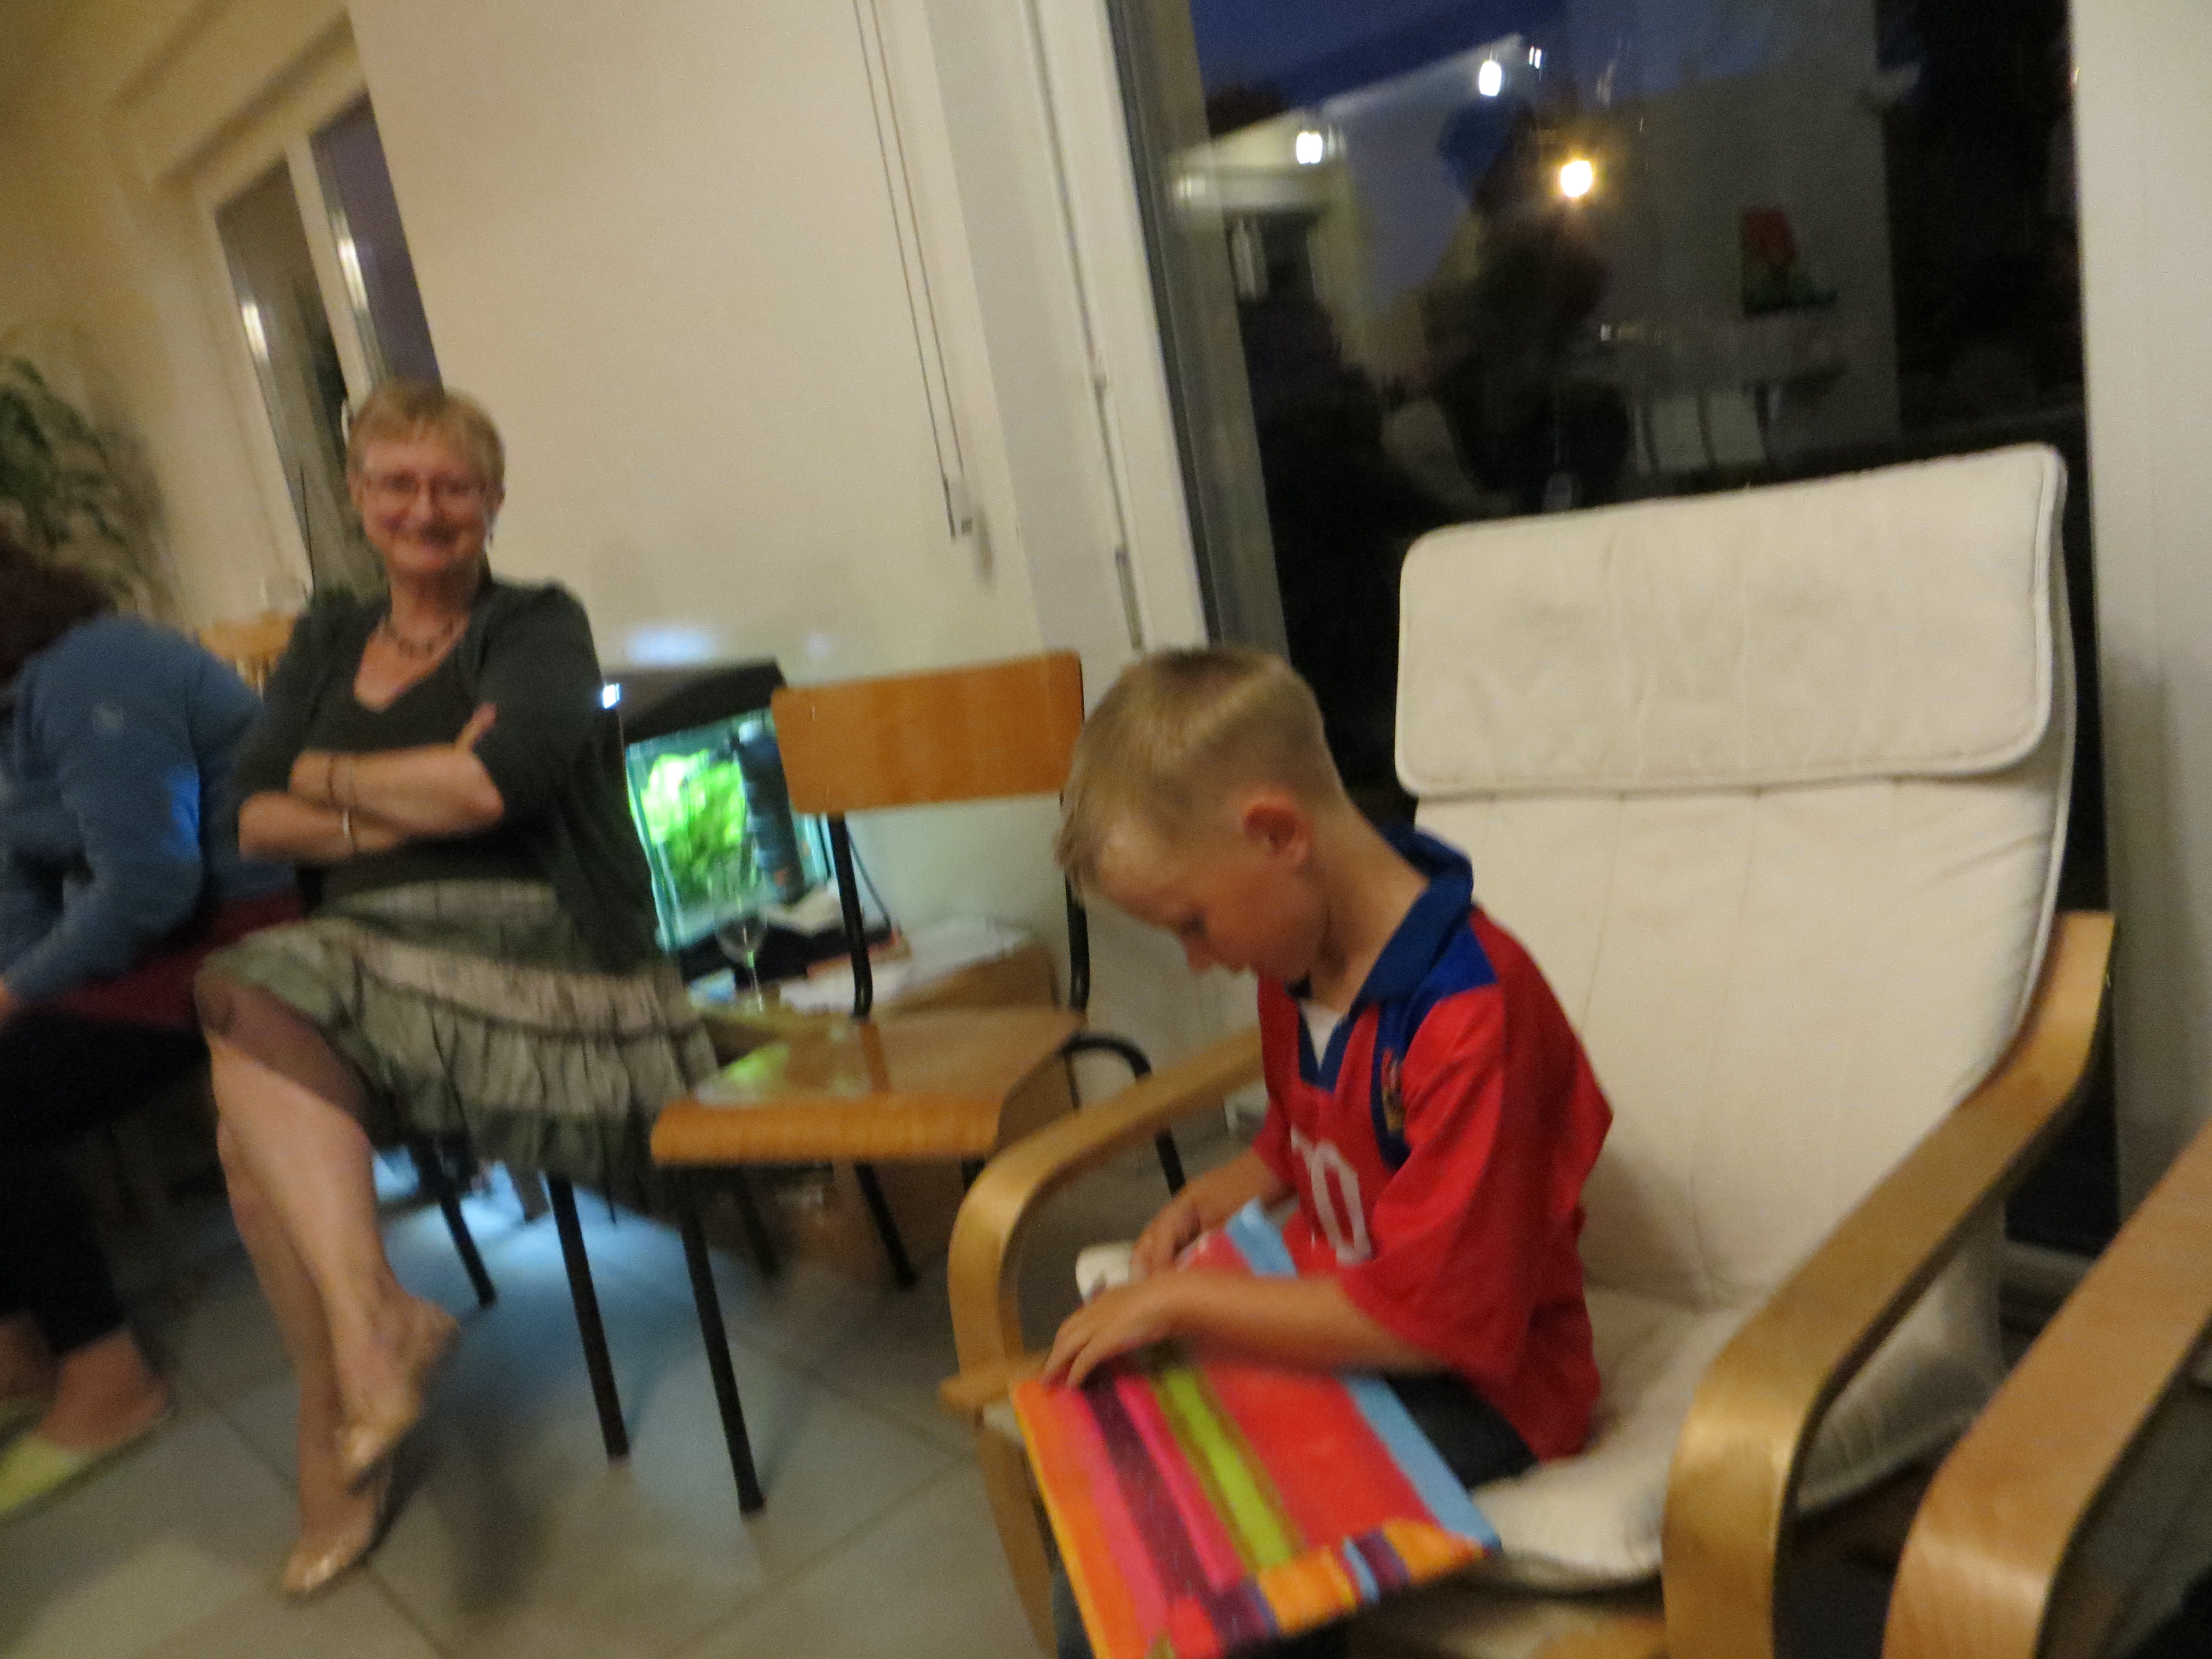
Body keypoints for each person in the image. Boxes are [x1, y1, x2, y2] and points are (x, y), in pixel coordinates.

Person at [195, 380, 716, 1597]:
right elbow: (251, 816)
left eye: (453, 486)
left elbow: (494, 790)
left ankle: (349, 1402)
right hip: (358, 965)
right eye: (397, 483)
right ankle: (365, 1341)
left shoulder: (535, 623)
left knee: (244, 1022)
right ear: (355, 497)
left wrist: (330, 779)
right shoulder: (328, 636)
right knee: (247, 1131)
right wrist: (410, 793)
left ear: (493, 499)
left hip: (540, 951)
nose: (424, 509)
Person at [1043, 647, 1612, 1658]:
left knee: (1208, 1589)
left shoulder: (1472, 1017)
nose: (1200, 960)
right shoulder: (1300, 957)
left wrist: (1178, 1301)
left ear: (1277, 835)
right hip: (1343, 1322)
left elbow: (1432, 1324)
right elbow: (1309, 1132)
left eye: (1193, 923)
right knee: (1110, 1520)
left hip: (1484, 1386)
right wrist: (1230, 1188)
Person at [0, 528, 297, 1518]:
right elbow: (20, 888)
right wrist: (14, 983)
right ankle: (19, 1346)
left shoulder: (92, 668)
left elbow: (151, 882)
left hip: (248, 927)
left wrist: (14, 996)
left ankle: (109, 1380)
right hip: (157, 941)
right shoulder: (13, 701)